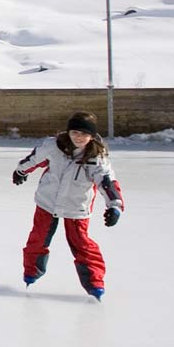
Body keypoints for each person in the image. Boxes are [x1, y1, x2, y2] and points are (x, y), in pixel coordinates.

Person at [12, 112, 125, 300]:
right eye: (74, 133)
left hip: (76, 206)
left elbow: (107, 182)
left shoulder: (97, 158)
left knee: (81, 243)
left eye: (83, 134)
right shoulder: (53, 146)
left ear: (91, 136)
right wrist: (21, 170)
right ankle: (31, 272)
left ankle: (95, 283)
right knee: (38, 238)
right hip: (48, 201)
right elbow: (34, 158)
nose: (78, 137)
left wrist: (114, 206)